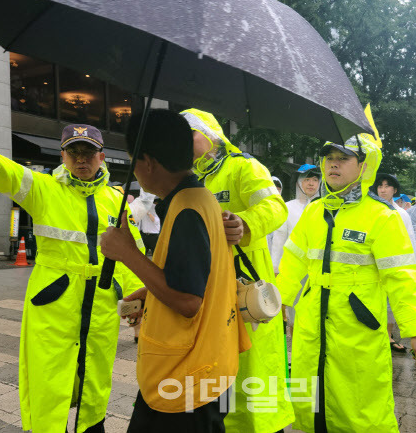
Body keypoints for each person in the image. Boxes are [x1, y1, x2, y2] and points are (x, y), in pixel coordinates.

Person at [0, 124, 144, 432]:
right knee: (48, 380)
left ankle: (92, 428)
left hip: (102, 305)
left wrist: (136, 295)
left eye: (89, 152)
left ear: (101, 157)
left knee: (96, 377)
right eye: (74, 152)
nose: (81, 159)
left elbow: (134, 252)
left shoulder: (116, 199)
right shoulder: (42, 188)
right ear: (63, 156)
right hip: (54, 304)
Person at [100, 109, 248, 433]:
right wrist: (150, 293)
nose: (136, 171)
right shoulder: (199, 198)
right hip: (205, 369)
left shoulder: (187, 209)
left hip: (187, 385)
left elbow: (188, 301)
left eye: (133, 161)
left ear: (148, 162)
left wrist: (128, 254)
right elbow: (199, 281)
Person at [276, 137, 416, 432]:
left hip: (357, 326)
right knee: (312, 401)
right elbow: (292, 261)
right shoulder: (313, 212)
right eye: (329, 157)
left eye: (343, 158)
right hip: (311, 322)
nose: (333, 163)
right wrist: (278, 303)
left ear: (364, 166)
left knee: (361, 407)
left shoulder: (382, 216)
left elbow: (402, 277)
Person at [180, 109, 294, 433]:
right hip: (209, 290)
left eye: (190, 134)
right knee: (218, 376)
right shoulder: (192, 181)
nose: (184, 142)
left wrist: (245, 223)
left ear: (212, 134)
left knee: (254, 375)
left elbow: (276, 207)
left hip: (246, 291)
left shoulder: (244, 166)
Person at [374, 172, 416, 353]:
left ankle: (388, 335)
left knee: (391, 301)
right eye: (380, 186)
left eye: (387, 186)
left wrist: (413, 267)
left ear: (394, 190)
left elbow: (409, 242)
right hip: (374, 264)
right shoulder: (371, 211)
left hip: (394, 263)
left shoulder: (401, 213)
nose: (383, 189)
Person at [271, 164, 321, 274]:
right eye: (307, 179)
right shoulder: (287, 208)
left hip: (317, 270)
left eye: (315, 180)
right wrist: (275, 266)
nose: (311, 183)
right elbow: (279, 238)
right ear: (299, 182)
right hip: (292, 268)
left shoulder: (324, 208)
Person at [267, 175, 283, 250]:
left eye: (278, 189)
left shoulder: (284, 208)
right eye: (273, 189)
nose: (276, 192)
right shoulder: (261, 207)